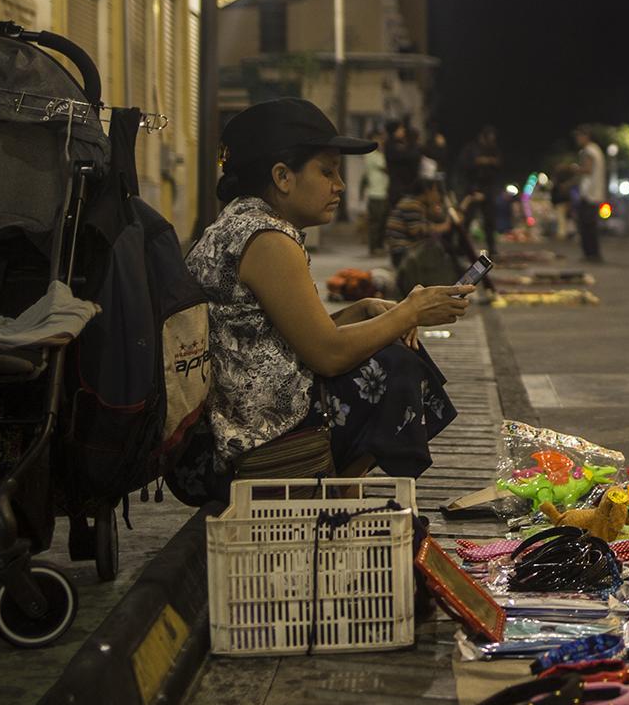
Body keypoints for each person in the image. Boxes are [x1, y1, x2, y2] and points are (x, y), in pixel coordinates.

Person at [169, 98, 472, 509]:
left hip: (237, 420)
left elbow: (269, 333)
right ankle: (332, 497)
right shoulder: (266, 238)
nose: (340, 186)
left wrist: (359, 309)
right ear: (282, 177)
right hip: (249, 435)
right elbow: (327, 355)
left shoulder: (241, 224)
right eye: (327, 171)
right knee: (397, 365)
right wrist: (411, 310)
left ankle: (336, 491)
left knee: (388, 349)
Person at [386, 171, 458, 292]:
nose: (437, 195)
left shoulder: (416, 203)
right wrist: (443, 227)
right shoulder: (412, 205)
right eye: (435, 191)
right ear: (427, 191)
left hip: (407, 250)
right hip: (403, 252)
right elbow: (416, 230)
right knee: (437, 248)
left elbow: (431, 221)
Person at [460, 125, 503, 257]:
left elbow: (499, 164)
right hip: (473, 186)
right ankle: (461, 247)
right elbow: (465, 165)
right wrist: (479, 162)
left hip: (488, 187)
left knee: (489, 219)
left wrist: (489, 162)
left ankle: (492, 247)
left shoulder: (493, 149)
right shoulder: (471, 148)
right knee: (467, 218)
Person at [573, 127, 606, 262]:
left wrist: (574, 168)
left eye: (579, 136)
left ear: (586, 136)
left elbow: (588, 169)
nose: (577, 140)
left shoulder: (589, 151)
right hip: (594, 192)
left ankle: (591, 254)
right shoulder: (596, 150)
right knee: (590, 225)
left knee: (586, 225)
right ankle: (592, 253)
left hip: (589, 193)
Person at [361, 131, 390, 256]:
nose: (381, 142)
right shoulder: (371, 155)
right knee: (376, 222)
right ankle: (373, 248)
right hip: (376, 192)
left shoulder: (380, 154)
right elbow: (385, 167)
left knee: (382, 221)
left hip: (383, 191)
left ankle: (379, 246)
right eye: (378, 139)